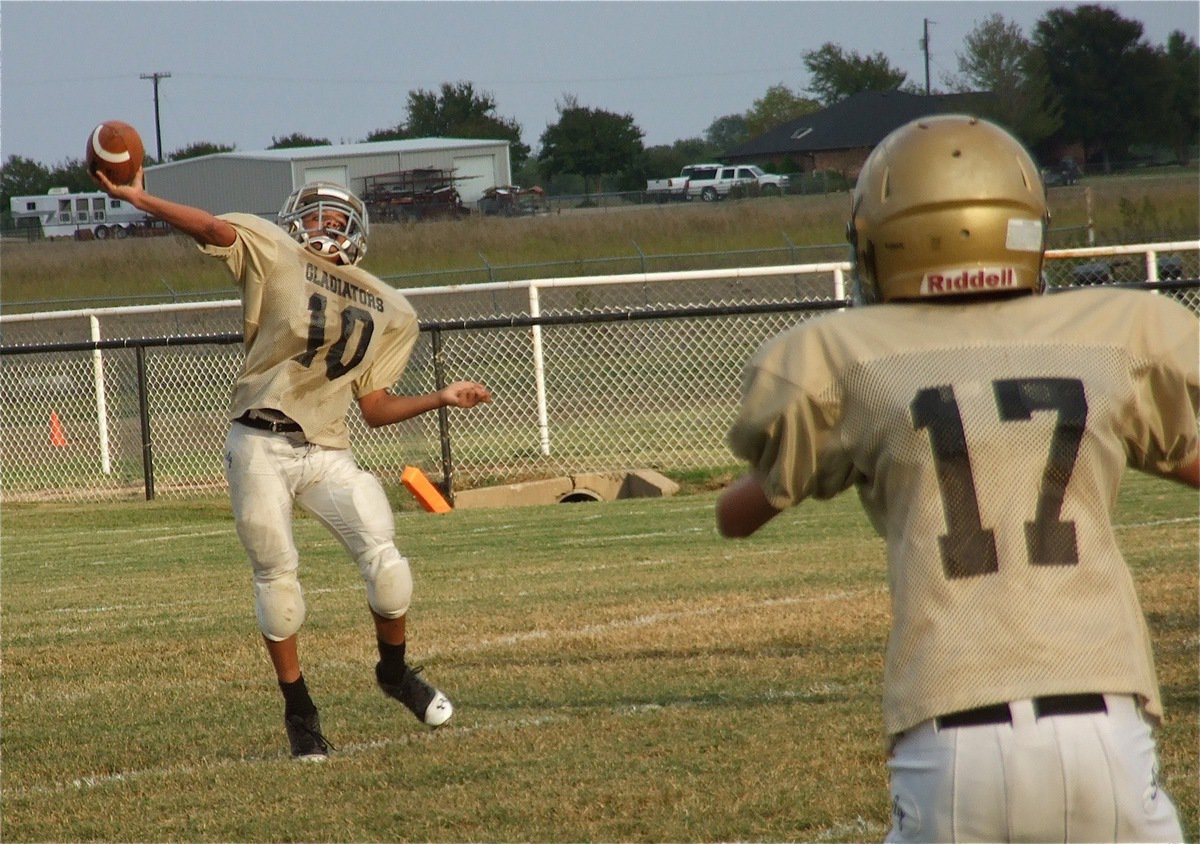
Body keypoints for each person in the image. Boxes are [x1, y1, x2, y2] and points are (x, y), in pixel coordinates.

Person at [716, 115, 1198, 842]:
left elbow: (738, 514)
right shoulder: (1107, 340)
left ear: (884, 243)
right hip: (1104, 714)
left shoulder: (855, 363)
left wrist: (830, 456)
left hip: (952, 721)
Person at [94, 169, 492, 761]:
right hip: (259, 441)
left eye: (335, 218)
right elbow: (210, 228)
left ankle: (394, 673)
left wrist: (439, 397)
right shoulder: (274, 251)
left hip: (326, 449)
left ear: (356, 231)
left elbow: (375, 409)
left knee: (388, 567)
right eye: (316, 215)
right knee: (278, 581)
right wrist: (137, 198)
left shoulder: (392, 308)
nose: (324, 225)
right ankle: (299, 710)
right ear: (294, 219)